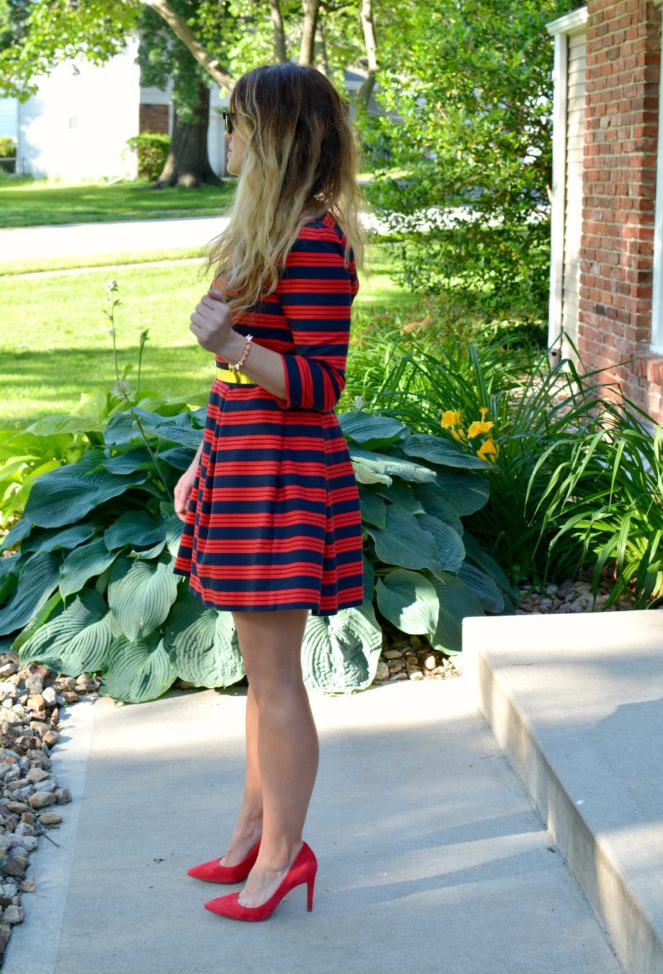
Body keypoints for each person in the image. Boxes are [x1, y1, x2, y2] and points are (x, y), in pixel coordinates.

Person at [171, 62, 366, 922]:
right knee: (260, 676)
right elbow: (239, 385)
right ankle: (253, 831)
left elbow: (323, 383)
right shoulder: (263, 238)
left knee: (278, 679)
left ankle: (285, 855)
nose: (230, 138)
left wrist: (233, 343)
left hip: (285, 480)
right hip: (245, 468)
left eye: (241, 123)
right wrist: (200, 461)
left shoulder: (315, 242)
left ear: (279, 136)